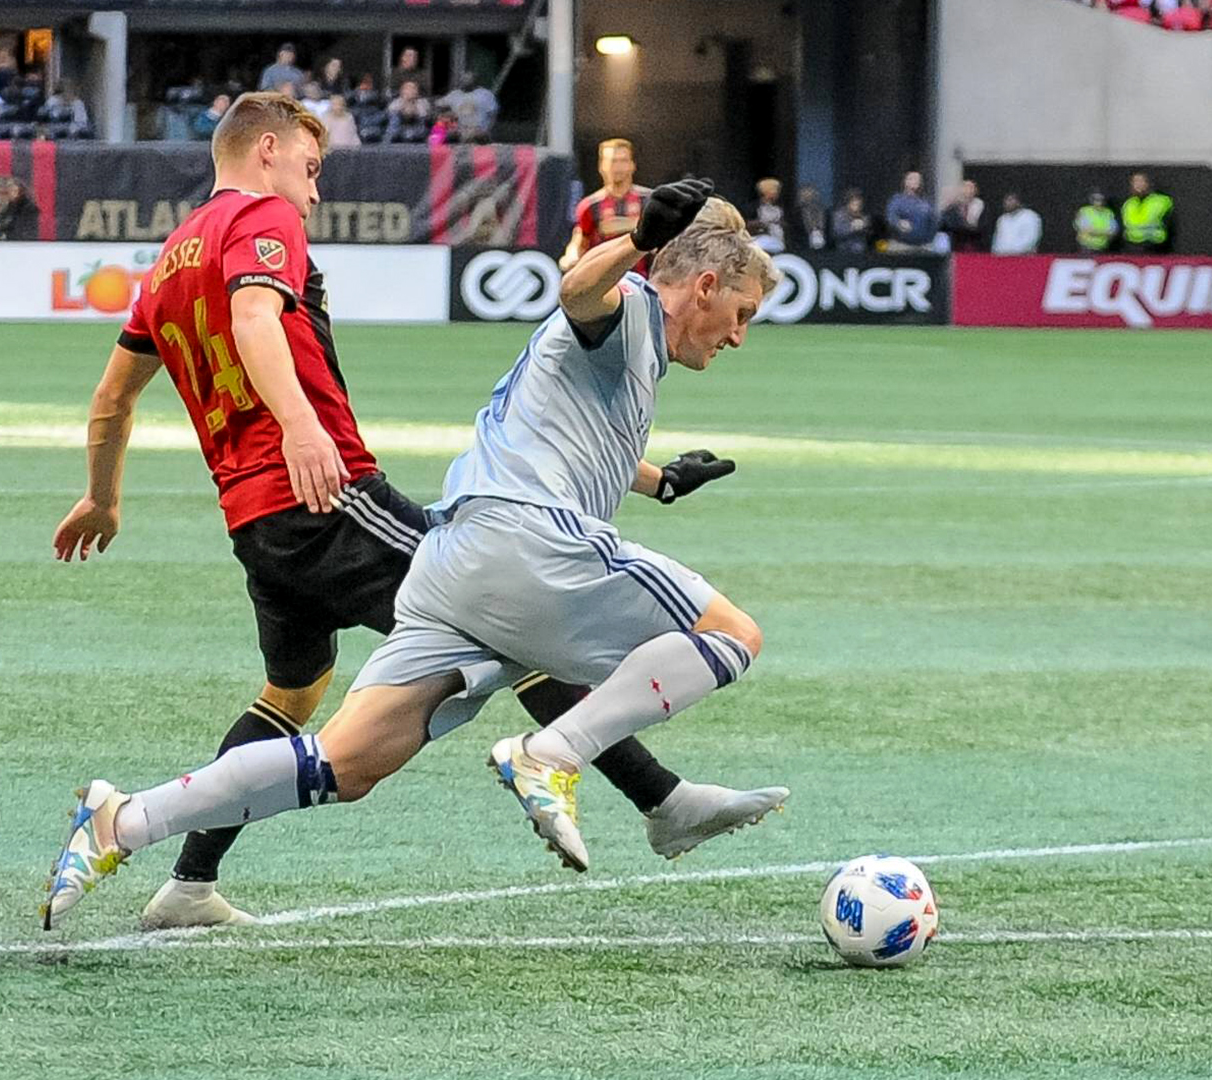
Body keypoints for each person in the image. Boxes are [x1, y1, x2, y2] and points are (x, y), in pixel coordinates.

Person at [41, 94, 782, 930]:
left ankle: (136, 832)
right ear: (269, 150)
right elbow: (574, 292)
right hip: (336, 490)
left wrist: (103, 495)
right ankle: (625, 784)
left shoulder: (170, 259)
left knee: (329, 743)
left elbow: (111, 400)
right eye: (311, 169)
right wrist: (301, 430)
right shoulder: (261, 219)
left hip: (254, 517)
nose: (313, 192)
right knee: (654, 636)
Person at [560, 138, 652, 272]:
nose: (618, 167)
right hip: (604, 281)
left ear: (632, 165)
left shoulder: (649, 200)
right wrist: (570, 256)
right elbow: (579, 240)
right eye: (613, 161)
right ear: (601, 166)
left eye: (623, 161)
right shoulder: (590, 206)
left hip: (642, 280)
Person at [1120, 172, 1174, 254]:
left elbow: (1170, 224)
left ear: (1148, 183)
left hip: (1154, 245)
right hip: (1132, 246)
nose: (1138, 185)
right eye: (1135, 182)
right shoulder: (1128, 203)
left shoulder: (1161, 200)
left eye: (1141, 181)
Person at [886, 171, 938, 250]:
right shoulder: (898, 200)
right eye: (912, 179)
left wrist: (929, 239)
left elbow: (933, 222)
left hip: (923, 247)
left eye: (918, 179)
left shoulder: (926, 203)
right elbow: (891, 216)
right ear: (905, 182)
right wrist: (899, 223)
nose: (916, 181)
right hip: (902, 246)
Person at [440, 72, 498, 142]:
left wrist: (487, 129)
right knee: (448, 135)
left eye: (468, 79)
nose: (466, 81)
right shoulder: (455, 94)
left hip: (478, 130)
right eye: (464, 79)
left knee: (479, 137)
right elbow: (439, 105)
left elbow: (493, 114)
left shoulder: (485, 94)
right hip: (460, 130)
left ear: (474, 80)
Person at [938, 180, 986, 254]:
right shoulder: (952, 208)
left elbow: (983, 227)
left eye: (971, 188)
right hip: (956, 246)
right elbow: (944, 226)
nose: (968, 191)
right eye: (965, 187)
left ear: (975, 191)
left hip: (974, 246)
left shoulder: (980, 206)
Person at [752, 178, 786, 253]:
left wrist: (780, 224)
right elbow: (745, 224)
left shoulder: (780, 207)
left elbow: (788, 225)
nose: (777, 194)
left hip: (777, 242)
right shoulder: (754, 208)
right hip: (761, 243)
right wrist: (760, 224)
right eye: (775, 191)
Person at [795, 185, 827, 251]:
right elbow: (796, 234)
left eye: (810, 194)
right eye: (804, 194)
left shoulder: (824, 212)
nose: (808, 197)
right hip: (803, 249)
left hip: (825, 251)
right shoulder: (796, 214)